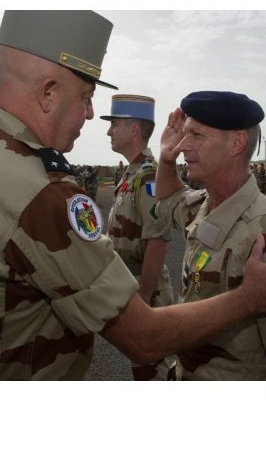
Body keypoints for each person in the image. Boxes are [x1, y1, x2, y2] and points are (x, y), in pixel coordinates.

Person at [0, 11, 266, 381]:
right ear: (48, 94)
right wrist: (250, 298)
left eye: (198, 136)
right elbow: (143, 335)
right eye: (86, 97)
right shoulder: (39, 191)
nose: (91, 115)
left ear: (237, 143)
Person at [156, 91, 266, 381]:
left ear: (236, 143)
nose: (183, 146)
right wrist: (165, 158)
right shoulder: (205, 205)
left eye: (196, 135)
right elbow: (168, 195)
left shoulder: (265, 232)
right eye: (184, 135)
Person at [101, 94, 174, 380]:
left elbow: (158, 241)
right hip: (134, 289)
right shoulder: (131, 174)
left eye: (114, 124)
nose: (109, 131)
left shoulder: (148, 177)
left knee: (153, 372)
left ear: (133, 129)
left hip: (148, 294)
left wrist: (142, 298)